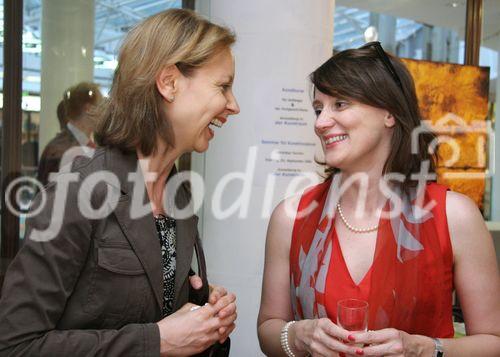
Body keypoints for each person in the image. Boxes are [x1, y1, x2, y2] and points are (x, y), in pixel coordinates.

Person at [0, 8, 239, 356]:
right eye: (223, 86)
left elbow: (152, 305)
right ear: (169, 82)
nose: (233, 105)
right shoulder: (77, 193)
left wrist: (202, 313)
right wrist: (158, 341)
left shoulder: (178, 196)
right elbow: (16, 346)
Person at [257, 42, 500, 356]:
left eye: (340, 104)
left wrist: (424, 350)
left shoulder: (455, 216)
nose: (320, 123)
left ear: (389, 112)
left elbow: (494, 341)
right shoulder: (290, 216)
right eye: (319, 109)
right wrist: (298, 335)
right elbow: (268, 329)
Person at [37, 82, 103, 186]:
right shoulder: (63, 152)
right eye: (101, 106)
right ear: (89, 109)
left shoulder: (66, 147)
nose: (103, 112)